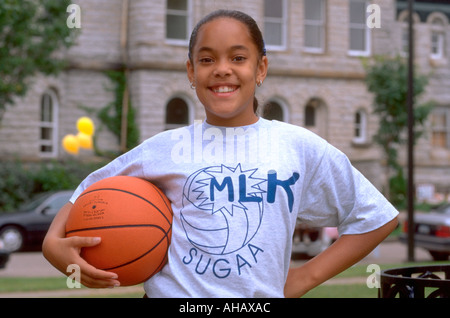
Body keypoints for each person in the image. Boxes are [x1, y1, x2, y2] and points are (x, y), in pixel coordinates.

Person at [43, 9, 398, 298]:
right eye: (207, 59)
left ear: (260, 69)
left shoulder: (296, 145)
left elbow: (377, 216)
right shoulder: (164, 147)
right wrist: (52, 246)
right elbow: (87, 191)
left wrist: (304, 279)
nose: (222, 69)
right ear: (191, 72)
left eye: (238, 58)